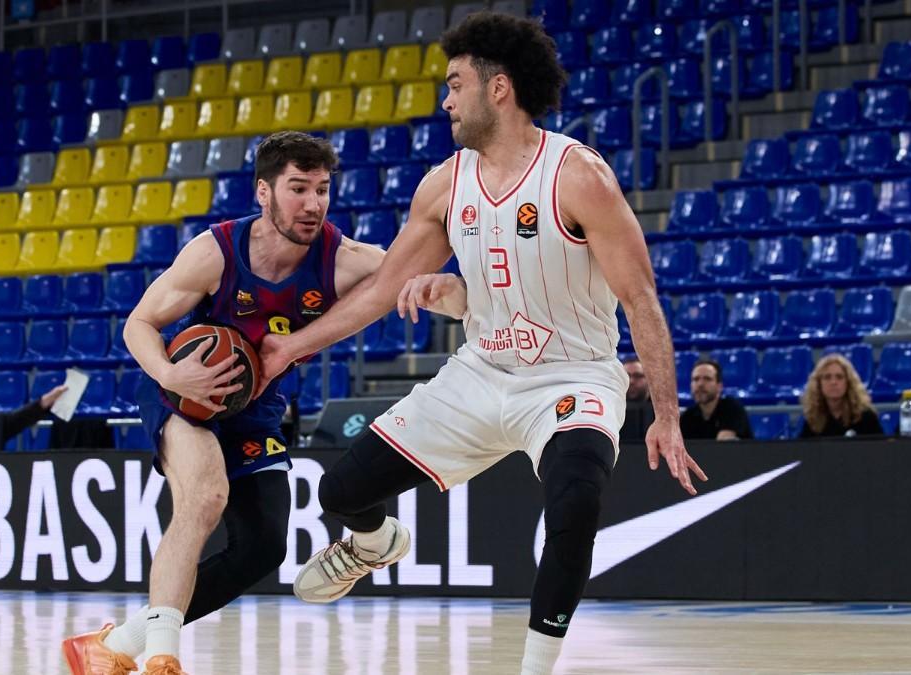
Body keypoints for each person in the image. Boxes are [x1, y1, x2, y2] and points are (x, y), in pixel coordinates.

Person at [256, 13, 706, 675]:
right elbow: (383, 288)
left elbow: (641, 299)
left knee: (576, 500)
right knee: (339, 491)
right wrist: (291, 347)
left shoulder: (579, 176)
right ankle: (375, 544)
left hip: (572, 377)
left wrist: (665, 415)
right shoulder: (444, 184)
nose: (445, 99)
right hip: (480, 371)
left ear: (498, 89)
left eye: (455, 84)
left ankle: (534, 666)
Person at [62, 131, 385, 675]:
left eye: (323, 190)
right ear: (264, 191)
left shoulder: (346, 260)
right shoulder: (216, 250)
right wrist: (169, 372)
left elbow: (421, 276)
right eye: (298, 188)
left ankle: (114, 645)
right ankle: (162, 657)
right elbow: (138, 323)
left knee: (262, 549)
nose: (312, 204)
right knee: (205, 495)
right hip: (185, 393)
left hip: (253, 409)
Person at [798, 354, 883, 438]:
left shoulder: (866, 417)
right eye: (827, 377)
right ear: (819, 384)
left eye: (839, 377)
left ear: (848, 382)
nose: (833, 382)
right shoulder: (813, 419)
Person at [679, 359, 753, 441]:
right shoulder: (687, 417)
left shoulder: (732, 408)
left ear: (719, 386)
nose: (700, 384)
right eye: (696, 379)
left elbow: (722, 446)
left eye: (707, 379)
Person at [620, 357, 654, 442]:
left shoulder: (661, 414)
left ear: (649, 380)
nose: (631, 381)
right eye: (626, 376)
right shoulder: (609, 411)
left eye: (638, 376)